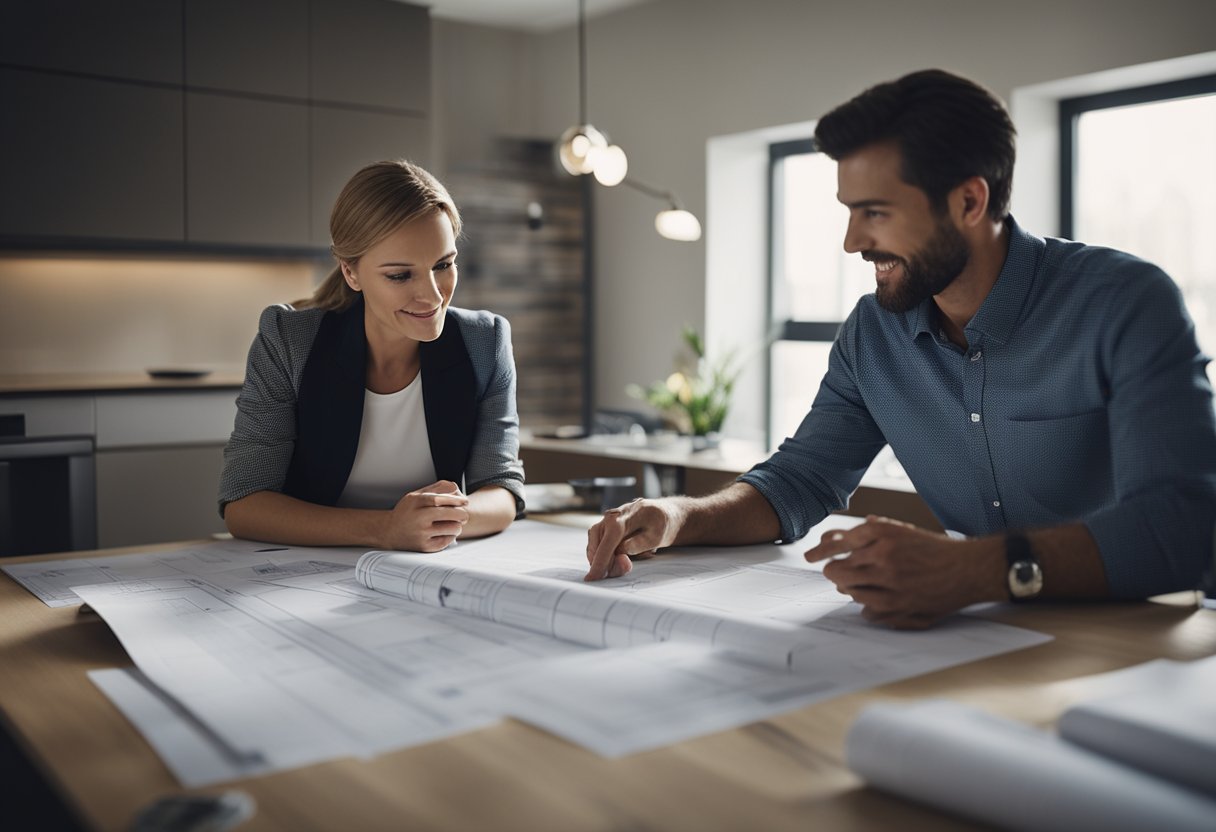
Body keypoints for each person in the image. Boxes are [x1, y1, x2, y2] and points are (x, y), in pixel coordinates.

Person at [585, 69, 1216, 628]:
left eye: (875, 213)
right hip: (970, 637)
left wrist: (970, 570)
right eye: (848, 211)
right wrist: (679, 516)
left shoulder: (1124, 303)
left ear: (970, 201)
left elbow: (1184, 525)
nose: (852, 240)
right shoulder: (873, 332)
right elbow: (801, 480)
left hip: (1131, 639)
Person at [218, 159, 523, 552]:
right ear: (351, 272)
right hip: (300, 575)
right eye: (400, 275)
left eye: (443, 265)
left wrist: (435, 522)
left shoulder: (485, 342)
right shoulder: (288, 341)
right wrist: (386, 530)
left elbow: (501, 491)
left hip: (420, 572)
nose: (432, 295)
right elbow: (244, 503)